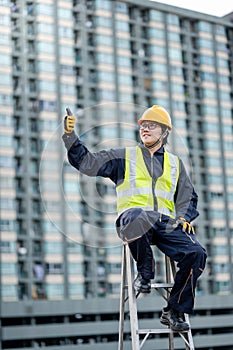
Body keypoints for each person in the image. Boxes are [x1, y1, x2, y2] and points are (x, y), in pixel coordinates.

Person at [62, 105, 207, 332]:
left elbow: (189, 198)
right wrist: (71, 137)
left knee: (197, 253)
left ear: (165, 132)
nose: (145, 129)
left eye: (152, 126)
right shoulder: (124, 156)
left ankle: (175, 310)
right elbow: (87, 163)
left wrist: (184, 216)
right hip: (132, 220)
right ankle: (145, 274)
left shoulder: (174, 164)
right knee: (139, 216)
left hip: (164, 224)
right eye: (143, 126)